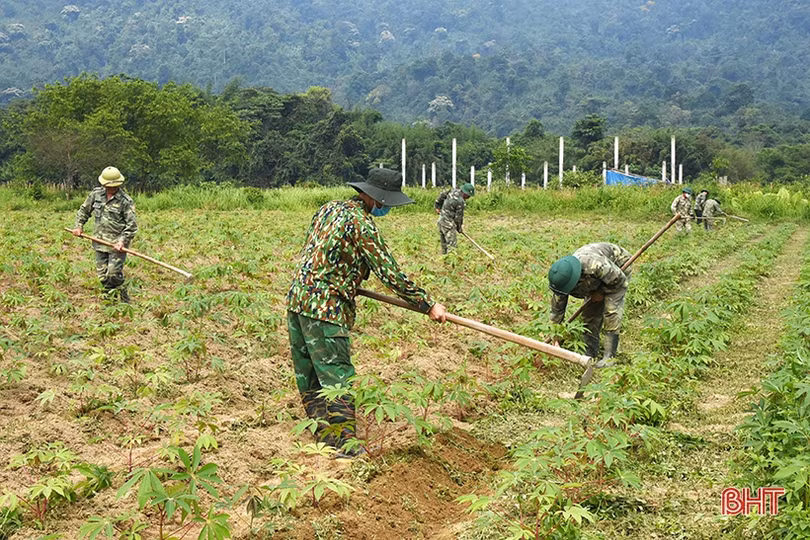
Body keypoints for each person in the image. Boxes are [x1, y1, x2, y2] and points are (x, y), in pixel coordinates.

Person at [286, 167, 447, 457]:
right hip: (326, 307)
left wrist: (347, 276)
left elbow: (321, 252)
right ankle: (346, 446)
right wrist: (427, 304)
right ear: (378, 199)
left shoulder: (329, 209)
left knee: (309, 374)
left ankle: (324, 435)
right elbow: (389, 272)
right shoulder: (363, 224)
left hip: (298, 300)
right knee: (337, 377)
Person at [548, 243, 632, 373]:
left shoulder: (596, 265)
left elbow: (620, 282)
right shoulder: (562, 280)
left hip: (617, 267)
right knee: (589, 314)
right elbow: (556, 310)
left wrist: (601, 292)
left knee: (610, 311)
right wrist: (555, 337)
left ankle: (609, 357)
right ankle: (590, 351)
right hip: (593, 277)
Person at [71, 166, 137, 302]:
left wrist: (122, 241)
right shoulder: (96, 195)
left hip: (116, 244)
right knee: (103, 276)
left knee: (113, 273)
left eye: (114, 186)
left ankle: (123, 296)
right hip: (99, 242)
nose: (111, 188)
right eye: (109, 186)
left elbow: (131, 226)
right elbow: (83, 211)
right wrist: (79, 226)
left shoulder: (125, 201)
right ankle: (109, 300)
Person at [435, 183, 475, 254]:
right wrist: (459, 228)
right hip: (448, 224)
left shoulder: (452, 191)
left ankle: (444, 260)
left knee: (444, 244)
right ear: (465, 193)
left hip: (441, 221)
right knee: (452, 246)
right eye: (468, 196)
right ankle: (451, 260)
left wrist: (437, 206)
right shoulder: (460, 202)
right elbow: (458, 218)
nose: (468, 197)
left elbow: (442, 195)